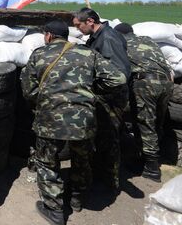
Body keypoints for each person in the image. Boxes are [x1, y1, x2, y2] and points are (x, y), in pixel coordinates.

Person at [21, 20, 127, 225]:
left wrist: (43, 100)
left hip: (50, 119)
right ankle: (78, 199)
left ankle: (54, 209)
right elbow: (118, 78)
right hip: (84, 120)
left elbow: (28, 90)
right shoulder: (87, 53)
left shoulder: (39, 54)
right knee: (82, 159)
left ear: (49, 36)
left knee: (47, 163)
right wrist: (93, 92)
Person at [73, 8, 130, 194]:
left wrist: (95, 89)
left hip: (111, 98)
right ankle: (103, 175)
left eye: (78, 25)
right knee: (103, 137)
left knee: (110, 139)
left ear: (90, 21)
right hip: (106, 97)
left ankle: (110, 183)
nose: (78, 29)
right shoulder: (100, 36)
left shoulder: (107, 39)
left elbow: (119, 75)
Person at [114, 22, 174, 182]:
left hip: (145, 84)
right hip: (167, 83)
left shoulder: (122, 44)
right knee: (157, 123)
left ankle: (151, 168)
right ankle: (150, 157)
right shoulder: (149, 40)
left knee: (145, 124)